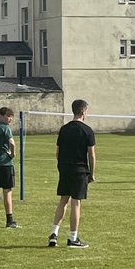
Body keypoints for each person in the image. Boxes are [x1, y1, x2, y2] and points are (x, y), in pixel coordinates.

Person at [49, 98, 96, 248]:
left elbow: (57, 152)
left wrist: (61, 166)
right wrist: (91, 174)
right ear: (83, 111)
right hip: (79, 169)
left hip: (65, 168)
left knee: (63, 201)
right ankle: (72, 238)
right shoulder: (87, 130)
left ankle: (54, 234)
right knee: (76, 203)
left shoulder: (64, 129)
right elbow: (91, 155)